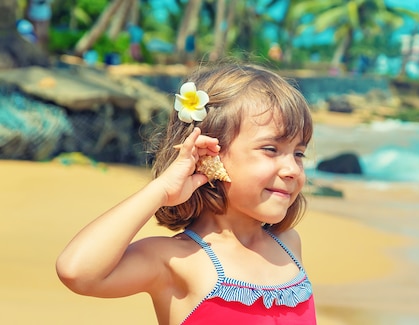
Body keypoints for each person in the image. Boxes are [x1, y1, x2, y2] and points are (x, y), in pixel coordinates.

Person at [56, 63, 316, 325]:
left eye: (298, 153)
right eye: (271, 149)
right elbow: (76, 271)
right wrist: (161, 190)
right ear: (207, 151)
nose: (292, 169)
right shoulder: (175, 259)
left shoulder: (288, 244)